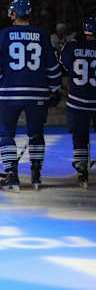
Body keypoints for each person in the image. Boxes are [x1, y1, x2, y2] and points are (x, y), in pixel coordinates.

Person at [0, 0, 62, 192]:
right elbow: (52, 67)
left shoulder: (3, 35)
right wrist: (54, 89)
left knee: (6, 134)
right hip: (37, 94)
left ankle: (12, 176)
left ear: (13, 13)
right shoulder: (43, 35)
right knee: (36, 134)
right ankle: (36, 177)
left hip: (8, 95)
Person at [60, 16, 96, 188]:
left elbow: (64, 65)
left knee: (80, 136)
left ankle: (82, 168)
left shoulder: (72, 46)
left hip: (78, 101)